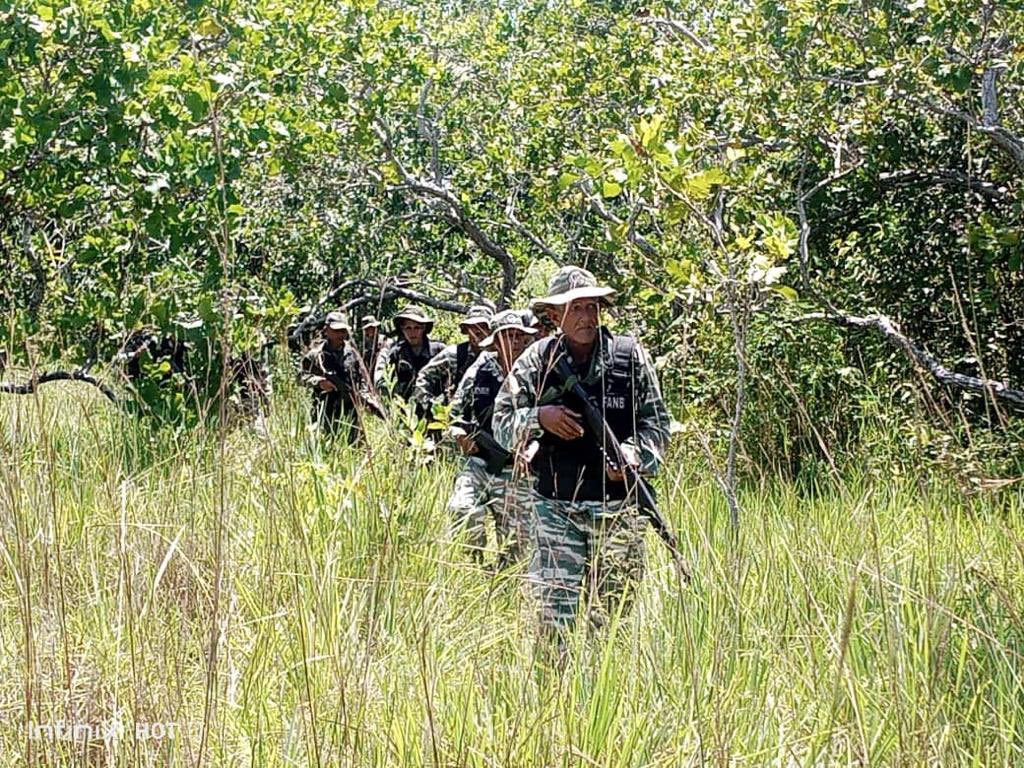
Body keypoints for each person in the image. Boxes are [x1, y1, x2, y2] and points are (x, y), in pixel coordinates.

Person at [492, 266, 671, 651]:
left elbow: (658, 424)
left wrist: (634, 456)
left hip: (618, 510)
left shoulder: (630, 358)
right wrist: (540, 418)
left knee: (611, 628)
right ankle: (551, 700)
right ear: (555, 316)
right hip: (555, 508)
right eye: (576, 309)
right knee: (553, 623)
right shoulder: (536, 361)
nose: (587, 318)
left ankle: (603, 704)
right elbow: (502, 423)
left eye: (592, 307)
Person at [447, 310, 537, 566]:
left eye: (520, 335)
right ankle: (473, 567)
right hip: (479, 461)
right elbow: (454, 414)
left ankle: (499, 584)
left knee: (517, 548)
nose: (516, 341)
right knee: (462, 510)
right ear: (495, 342)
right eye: (509, 336)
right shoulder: (480, 371)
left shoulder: (535, 372)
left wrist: (533, 447)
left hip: (518, 470)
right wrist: (458, 433)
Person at [301, 312, 379, 441]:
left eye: (343, 331)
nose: (340, 334)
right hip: (324, 409)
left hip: (350, 411)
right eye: (336, 330)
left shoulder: (353, 353)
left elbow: (363, 377)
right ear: (326, 330)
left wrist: (365, 398)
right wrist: (319, 382)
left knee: (357, 448)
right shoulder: (316, 355)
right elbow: (301, 377)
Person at [413, 304, 493, 421]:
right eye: (473, 327)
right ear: (466, 330)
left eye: (482, 326)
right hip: (456, 419)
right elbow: (424, 377)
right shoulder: (454, 354)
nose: (477, 331)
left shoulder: (500, 356)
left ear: (491, 330)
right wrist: (432, 407)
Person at [373, 305, 445, 402]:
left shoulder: (439, 350)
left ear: (423, 328)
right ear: (402, 330)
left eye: (416, 327)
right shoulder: (396, 353)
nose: (412, 332)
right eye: (408, 328)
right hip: (405, 410)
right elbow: (385, 380)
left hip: (434, 409)